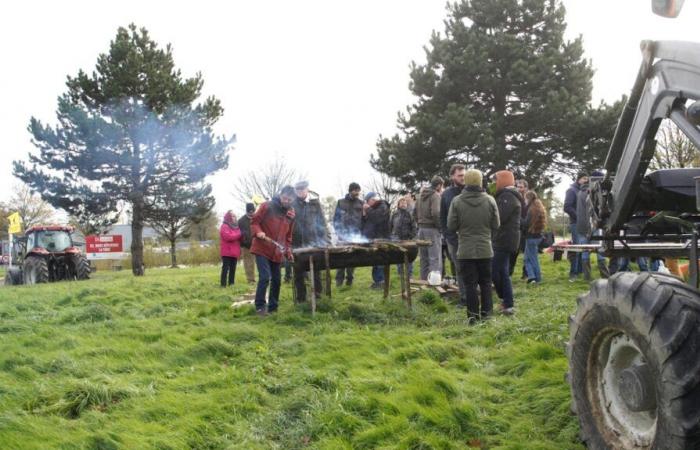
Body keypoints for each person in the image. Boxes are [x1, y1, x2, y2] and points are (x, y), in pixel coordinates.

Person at [447, 169, 499, 322]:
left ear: (467, 182)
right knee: (486, 283)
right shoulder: (490, 200)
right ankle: (487, 314)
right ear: (481, 181)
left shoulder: (457, 201)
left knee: (469, 284)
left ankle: (473, 316)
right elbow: (496, 224)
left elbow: (451, 225)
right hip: (485, 248)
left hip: (465, 250)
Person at [250, 186, 296, 316]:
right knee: (265, 277)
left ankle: (273, 308)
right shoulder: (267, 206)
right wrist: (259, 232)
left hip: (277, 252)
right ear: (280, 195)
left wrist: (288, 252)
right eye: (284, 198)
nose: (286, 201)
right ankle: (260, 307)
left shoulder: (291, 213)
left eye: (289, 199)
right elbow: (254, 222)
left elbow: (288, 236)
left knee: (277, 280)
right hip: (262, 247)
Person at [291, 180, 330, 302]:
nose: (300, 192)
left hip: (314, 242)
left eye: (302, 190)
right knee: (299, 272)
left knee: (316, 272)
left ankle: (318, 296)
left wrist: (325, 240)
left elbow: (322, 223)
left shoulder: (315, 204)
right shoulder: (292, 205)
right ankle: (301, 299)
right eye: (298, 190)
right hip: (297, 243)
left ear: (307, 189)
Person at [492, 170, 522, 315]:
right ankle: (507, 303)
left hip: (504, 240)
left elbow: (499, 218)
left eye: (496, 180)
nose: (494, 183)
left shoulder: (507, 196)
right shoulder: (507, 196)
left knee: (494, 270)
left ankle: (505, 299)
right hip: (506, 239)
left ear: (503, 180)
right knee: (503, 272)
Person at [440, 164, 467, 305]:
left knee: (473, 267)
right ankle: (464, 298)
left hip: (470, 236)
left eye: (464, 175)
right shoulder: (447, 194)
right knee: (460, 268)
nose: (463, 178)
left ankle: (475, 294)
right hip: (453, 239)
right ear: (452, 176)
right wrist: (448, 235)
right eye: (460, 175)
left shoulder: (471, 191)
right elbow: (442, 217)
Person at [576, 170, 609, 280]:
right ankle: (605, 276)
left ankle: (587, 277)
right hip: (593, 225)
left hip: (581, 226)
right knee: (600, 250)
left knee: (585, 252)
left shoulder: (580, 192)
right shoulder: (593, 192)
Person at [333, 182, 363, 286]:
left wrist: (361, 234)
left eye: (359, 190)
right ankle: (339, 281)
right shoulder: (341, 202)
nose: (358, 192)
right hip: (342, 235)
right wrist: (338, 231)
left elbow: (363, 219)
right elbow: (335, 219)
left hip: (355, 236)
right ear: (351, 190)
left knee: (352, 258)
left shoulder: (361, 203)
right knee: (341, 258)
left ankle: (350, 279)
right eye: (356, 190)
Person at [414, 176, 444, 280]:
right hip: (432, 229)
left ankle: (423, 281)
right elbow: (436, 213)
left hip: (421, 230)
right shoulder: (435, 195)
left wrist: (419, 222)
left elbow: (414, 212)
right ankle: (434, 284)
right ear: (439, 185)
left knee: (424, 257)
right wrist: (439, 227)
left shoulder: (419, 196)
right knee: (434, 257)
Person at [362, 192, 391, 289]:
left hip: (382, 237)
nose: (367, 203)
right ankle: (377, 281)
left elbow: (377, 218)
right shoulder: (373, 209)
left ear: (372, 200)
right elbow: (368, 223)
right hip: (374, 238)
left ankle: (381, 282)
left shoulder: (383, 205)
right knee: (375, 261)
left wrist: (368, 209)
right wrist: (364, 214)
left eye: (367, 201)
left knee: (380, 261)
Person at [565, 173, 588, 281]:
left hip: (585, 223)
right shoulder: (571, 190)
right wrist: (579, 217)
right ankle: (573, 273)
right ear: (579, 179)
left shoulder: (585, 190)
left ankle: (579, 271)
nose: (586, 181)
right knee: (576, 247)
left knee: (583, 247)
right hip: (576, 223)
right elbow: (567, 207)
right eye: (584, 179)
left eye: (587, 179)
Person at [524, 191, 547, 284]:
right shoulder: (539, 207)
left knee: (533, 258)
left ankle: (537, 278)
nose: (524, 201)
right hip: (538, 236)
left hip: (531, 237)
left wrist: (518, 219)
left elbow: (526, 223)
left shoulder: (531, 209)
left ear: (528, 199)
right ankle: (531, 276)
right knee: (527, 258)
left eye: (525, 199)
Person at [391, 197, 417, 278]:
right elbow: (390, 226)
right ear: (398, 204)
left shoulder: (410, 214)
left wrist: (411, 236)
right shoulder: (394, 214)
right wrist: (392, 236)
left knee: (409, 257)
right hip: (396, 238)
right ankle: (400, 274)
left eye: (405, 203)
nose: (403, 204)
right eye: (401, 202)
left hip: (407, 238)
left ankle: (409, 274)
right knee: (398, 256)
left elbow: (414, 227)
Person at [511, 179, 529, 279]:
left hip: (526, 229)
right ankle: (510, 271)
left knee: (527, 253)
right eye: (517, 187)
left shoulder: (528, 199)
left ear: (526, 188)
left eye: (521, 187)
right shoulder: (513, 197)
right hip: (516, 228)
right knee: (514, 252)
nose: (519, 189)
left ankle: (525, 273)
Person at [219, 210, 242, 287]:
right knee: (225, 269)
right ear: (228, 217)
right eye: (232, 216)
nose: (234, 217)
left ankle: (231, 283)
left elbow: (239, 237)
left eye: (234, 216)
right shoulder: (224, 226)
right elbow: (228, 237)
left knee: (233, 268)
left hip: (235, 251)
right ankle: (223, 284)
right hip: (227, 251)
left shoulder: (237, 227)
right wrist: (239, 234)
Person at [237, 203, 257, 284]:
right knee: (248, 263)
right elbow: (238, 233)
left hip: (257, 244)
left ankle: (265, 278)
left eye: (253, 211)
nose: (251, 213)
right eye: (250, 212)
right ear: (247, 211)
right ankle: (250, 280)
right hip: (246, 245)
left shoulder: (257, 218)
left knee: (261, 262)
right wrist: (243, 241)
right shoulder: (241, 221)